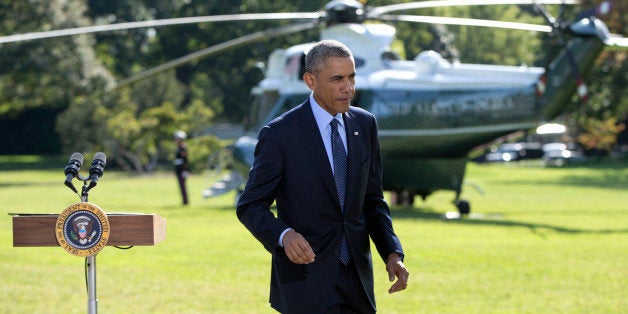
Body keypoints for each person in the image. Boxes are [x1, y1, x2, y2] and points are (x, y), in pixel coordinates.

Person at [236, 40, 409, 313]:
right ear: (310, 80)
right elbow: (250, 205)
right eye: (337, 79)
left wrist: (392, 252)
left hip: (357, 286)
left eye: (351, 77)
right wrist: (284, 235)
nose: (348, 88)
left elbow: (373, 200)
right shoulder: (280, 134)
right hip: (304, 285)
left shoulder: (365, 125)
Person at [173, 130, 189, 205]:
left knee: (183, 187)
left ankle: (185, 202)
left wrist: (185, 170)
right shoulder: (178, 147)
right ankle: (184, 201)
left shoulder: (182, 148)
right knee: (181, 187)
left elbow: (185, 160)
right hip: (178, 170)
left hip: (182, 171)